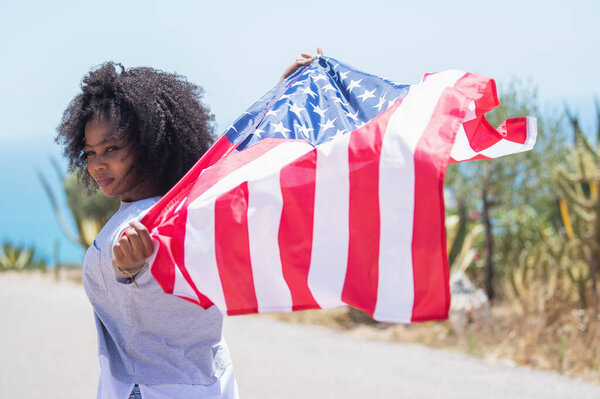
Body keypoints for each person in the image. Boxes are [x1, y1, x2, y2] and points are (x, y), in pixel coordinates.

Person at [55, 49, 322, 399]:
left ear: (150, 142)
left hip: (151, 390)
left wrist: (129, 266)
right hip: (211, 382)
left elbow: (136, 252)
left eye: (112, 148)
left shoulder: (150, 223)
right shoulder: (199, 204)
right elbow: (244, 164)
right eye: (90, 152)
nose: (97, 165)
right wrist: (286, 94)